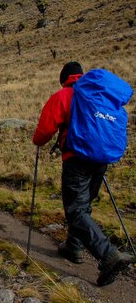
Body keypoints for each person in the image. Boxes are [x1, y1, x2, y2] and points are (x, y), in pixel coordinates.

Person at [33, 61, 132, 287]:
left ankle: (108, 255)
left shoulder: (65, 95)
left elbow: (46, 129)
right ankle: (74, 247)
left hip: (76, 158)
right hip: (102, 158)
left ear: (64, 78)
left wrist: (37, 141)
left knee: (76, 209)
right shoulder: (101, 95)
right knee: (84, 204)